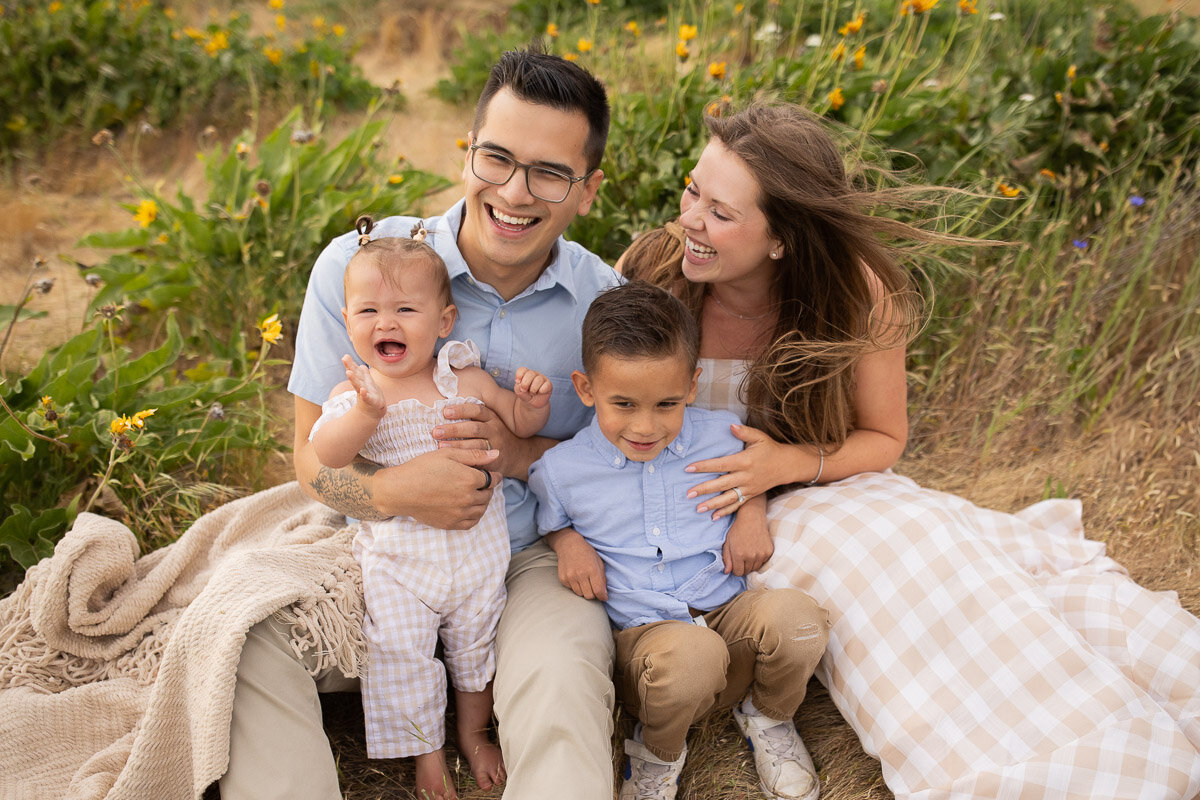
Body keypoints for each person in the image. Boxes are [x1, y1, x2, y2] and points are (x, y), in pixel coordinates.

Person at [618, 103, 1200, 799]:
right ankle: (996, 756)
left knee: (930, 559)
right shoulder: (654, 272)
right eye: (691, 191)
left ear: (782, 240)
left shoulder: (858, 292)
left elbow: (884, 439)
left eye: (719, 212)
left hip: (826, 486)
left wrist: (786, 466)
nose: (689, 220)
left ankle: (1086, 721)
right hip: (698, 508)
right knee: (864, 592)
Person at [219, 47, 622, 800]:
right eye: (496, 158)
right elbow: (311, 465)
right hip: (377, 551)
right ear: (466, 151)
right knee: (246, 637)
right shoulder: (364, 270)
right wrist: (401, 492)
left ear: (587, 189)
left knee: (565, 683)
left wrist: (520, 449)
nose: (514, 191)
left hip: (530, 553)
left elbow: (626, 456)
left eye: (549, 172)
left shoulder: (606, 305)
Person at [527, 281, 827, 800]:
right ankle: (656, 752)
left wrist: (750, 514)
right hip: (651, 644)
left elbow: (750, 480)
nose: (645, 426)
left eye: (667, 403)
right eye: (623, 403)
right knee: (690, 659)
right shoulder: (562, 470)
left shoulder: (722, 433)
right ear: (585, 388)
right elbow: (550, 521)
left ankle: (767, 718)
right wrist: (567, 542)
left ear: (693, 385)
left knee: (799, 618)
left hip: (725, 610)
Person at [308, 217, 554, 798]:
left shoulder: (461, 376)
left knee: (476, 650)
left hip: (477, 557)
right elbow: (325, 453)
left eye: (405, 312)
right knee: (401, 654)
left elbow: (517, 426)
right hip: (398, 564)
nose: (385, 323)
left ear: (444, 322)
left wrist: (530, 403)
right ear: (347, 323)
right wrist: (365, 417)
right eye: (367, 312)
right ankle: (428, 750)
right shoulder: (355, 394)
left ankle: (473, 732)